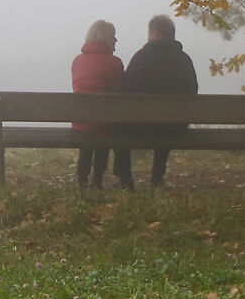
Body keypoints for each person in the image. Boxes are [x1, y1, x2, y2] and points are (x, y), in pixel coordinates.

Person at [121, 14, 197, 187]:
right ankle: (156, 176)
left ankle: (125, 177)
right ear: (172, 34)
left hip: (141, 127)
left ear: (154, 33)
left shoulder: (140, 57)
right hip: (174, 128)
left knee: (117, 124)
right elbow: (193, 90)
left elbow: (125, 91)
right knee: (169, 119)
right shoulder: (184, 60)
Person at [70, 19, 129, 188]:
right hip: (105, 124)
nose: (115, 40)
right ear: (106, 39)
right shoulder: (114, 62)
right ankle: (97, 178)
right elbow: (119, 91)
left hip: (81, 123)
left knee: (89, 126)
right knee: (105, 126)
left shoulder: (77, 61)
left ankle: (82, 177)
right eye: (113, 36)